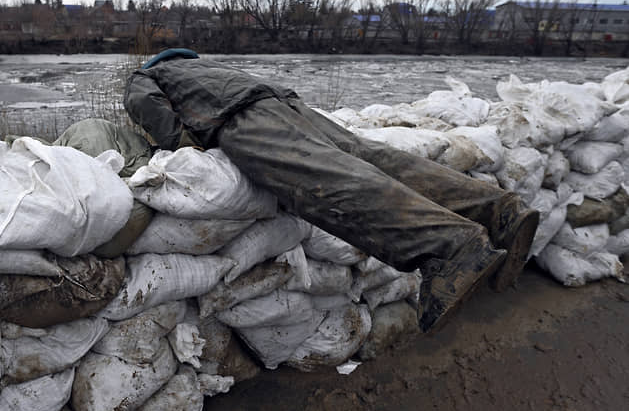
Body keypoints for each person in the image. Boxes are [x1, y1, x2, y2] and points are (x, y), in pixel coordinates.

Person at [124, 49, 539, 333]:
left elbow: (148, 108)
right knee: (369, 157)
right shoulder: (213, 68)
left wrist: (183, 146)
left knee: (329, 184)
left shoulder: (146, 75)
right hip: (285, 103)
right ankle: (497, 211)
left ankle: (451, 250)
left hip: (242, 121)